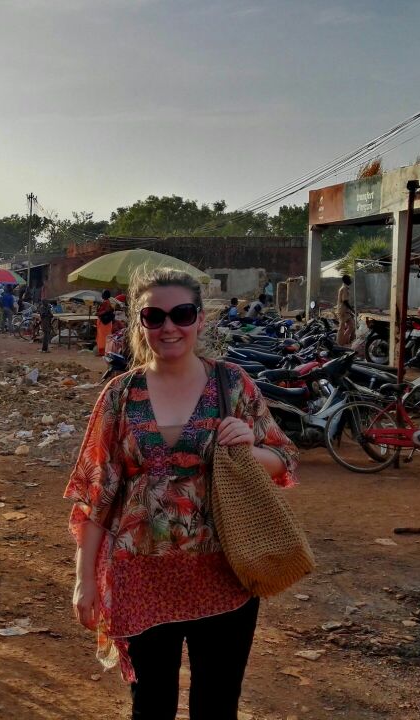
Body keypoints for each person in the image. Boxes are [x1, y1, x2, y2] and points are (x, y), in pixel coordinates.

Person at [65, 268, 299, 720]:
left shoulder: (233, 385)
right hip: (140, 576)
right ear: (140, 323)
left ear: (200, 320)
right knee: (151, 706)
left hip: (223, 574)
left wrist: (249, 447)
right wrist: (84, 579)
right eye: (154, 316)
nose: (168, 327)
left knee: (217, 706)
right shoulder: (120, 395)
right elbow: (96, 496)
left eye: (182, 314)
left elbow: (283, 460)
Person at [95, 289, 116, 357]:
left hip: (104, 323)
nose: (102, 295)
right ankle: (106, 350)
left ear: (105, 295)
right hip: (107, 322)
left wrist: (97, 313)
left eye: (103, 294)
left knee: (102, 337)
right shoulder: (108, 302)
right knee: (106, 336)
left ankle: (102, 351)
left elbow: (104, 311)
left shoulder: (106, 303)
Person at [337, 274, 356, 347]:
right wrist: (352, 309)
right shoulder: (344, 288)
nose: (350, 280)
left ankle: (343, 341)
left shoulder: (345, 288)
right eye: (349, 279)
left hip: (346, 311)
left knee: (351, 326)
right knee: (341, 327)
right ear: (346, 280)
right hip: (343, 311)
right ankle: (339, 344)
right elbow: (345, 301)